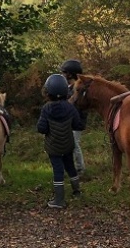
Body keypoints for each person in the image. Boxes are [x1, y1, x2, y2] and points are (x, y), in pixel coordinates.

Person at [37, 74, 87, 209]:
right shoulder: (70, 108)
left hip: (53, 147)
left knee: (58, 170)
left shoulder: (46, 109)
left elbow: (41, 128)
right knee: (70, 166)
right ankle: (77, 191)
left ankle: (59, 200)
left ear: (48, 92)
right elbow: (78, 126)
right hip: (68, 145)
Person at [60, 59, 86, 175]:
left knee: (74, 144)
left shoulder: (78, 88)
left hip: (77, 120)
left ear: (69, 74)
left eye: (64, 72)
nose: (62, 75)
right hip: (68, 121)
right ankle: (70, 167)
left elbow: (72, 103)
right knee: (67, 145)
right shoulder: (67, 87)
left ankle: (80, 168)